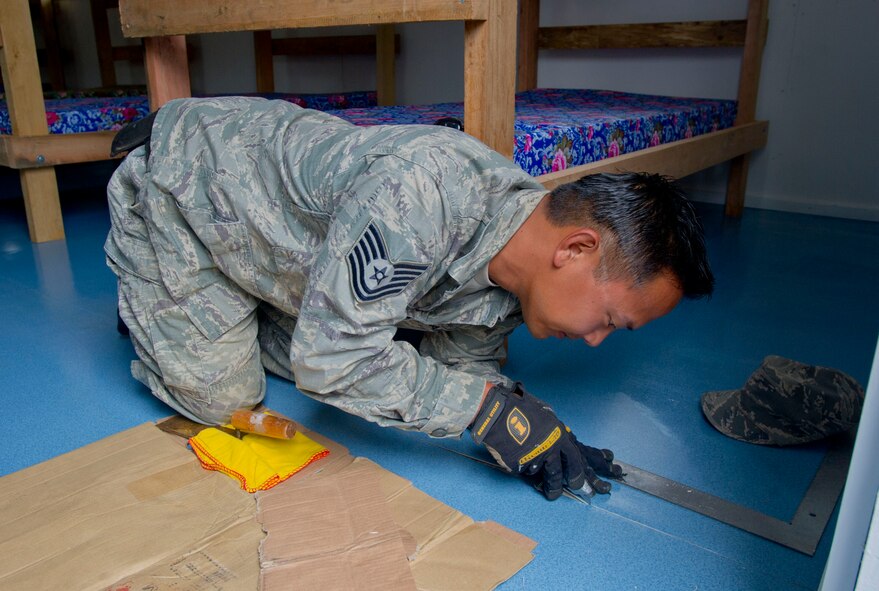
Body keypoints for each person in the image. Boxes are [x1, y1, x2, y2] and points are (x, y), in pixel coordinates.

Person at [104, 96, 714, 500]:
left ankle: (239, 310)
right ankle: (149, 292)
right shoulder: (422, 197)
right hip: (183, 193)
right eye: (608, 318)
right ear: (576, 249)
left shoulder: (518, 264)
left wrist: (527, 425)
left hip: (280, 246)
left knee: (374, 346)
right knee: (225, 401)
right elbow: (333, 363)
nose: (594, 338)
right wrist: (481, 411)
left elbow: (464, 369)